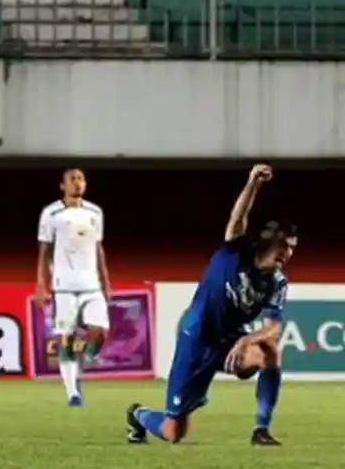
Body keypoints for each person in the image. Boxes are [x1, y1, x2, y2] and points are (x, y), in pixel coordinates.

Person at [127, 164, 291, 446]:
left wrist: (245, 341)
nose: (288, 254)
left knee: (269, 350)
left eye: (292, 249)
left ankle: (260, 429)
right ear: (268, 242)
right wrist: (252, 183)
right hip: (196, 338)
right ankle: (138, 414)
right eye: (284, 247)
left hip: (228, 341)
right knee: (173, 432)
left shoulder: (277, 282)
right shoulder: (235, 252)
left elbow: (273, 328)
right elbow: (238, 218)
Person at [34, 167, 111, 406]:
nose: (77, 183)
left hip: (91, 284)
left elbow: (98, 248)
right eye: (72, 179)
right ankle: (72, 393)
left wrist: (106, 278)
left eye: (81, 179)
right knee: (65, 339)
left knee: (100, 333)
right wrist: (40, 283)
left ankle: (83, 363)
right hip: (63, 285)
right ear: (63, 186)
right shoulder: (51, 213)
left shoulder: (95, 212)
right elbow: (44, 250)